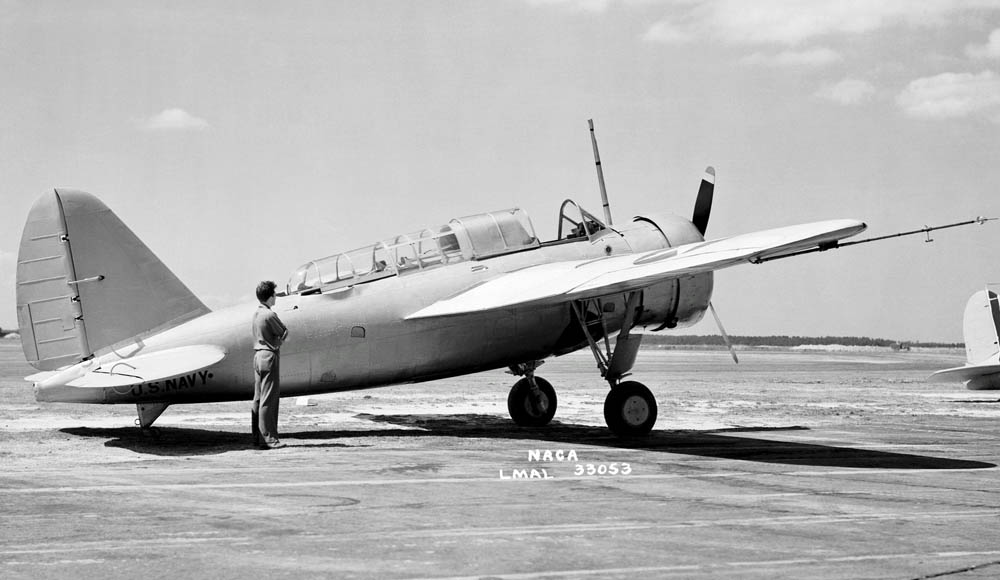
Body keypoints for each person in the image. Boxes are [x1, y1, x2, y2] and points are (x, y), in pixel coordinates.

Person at [251, 280, 289, 449]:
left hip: (258, 356)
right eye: (274, 294)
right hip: (269, 356)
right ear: (269, 296)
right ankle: (269, 438)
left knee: (258, 398)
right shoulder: (270, 315)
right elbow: (284, 332)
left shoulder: (257, 314)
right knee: (269, 399)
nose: (276, 297)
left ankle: (257, 437)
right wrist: (278, 341)